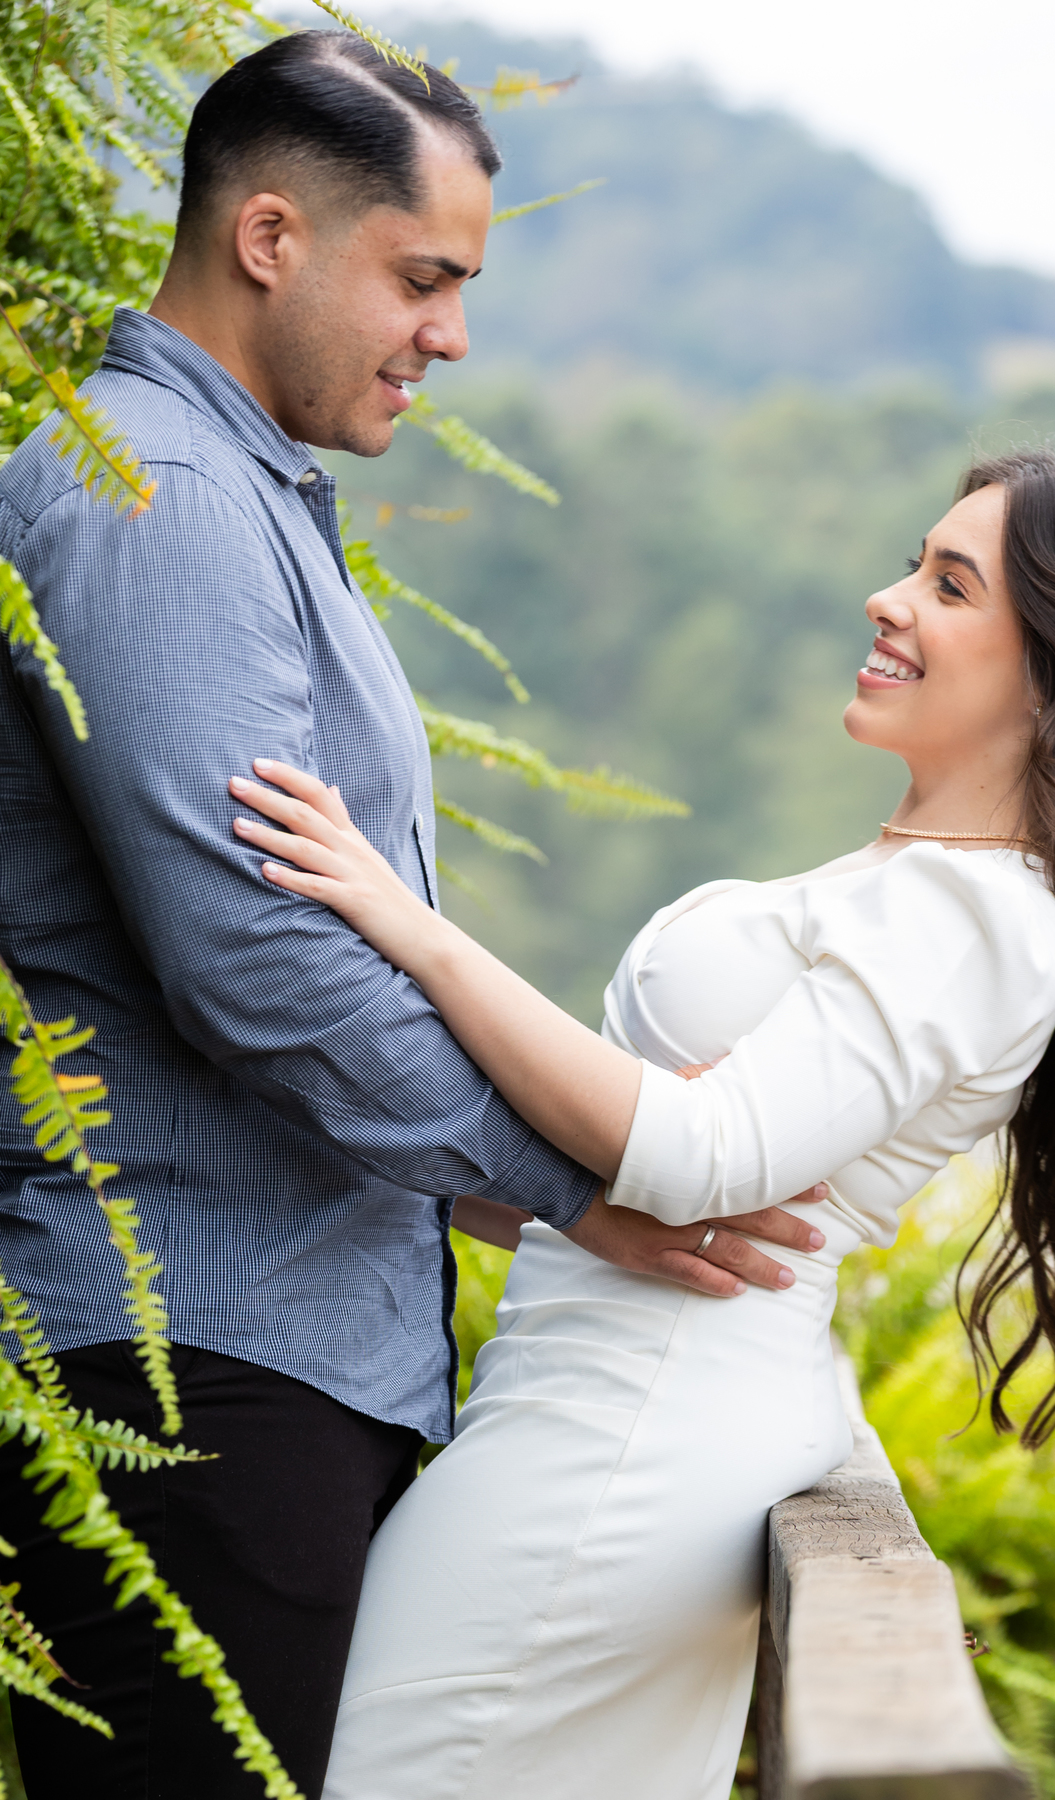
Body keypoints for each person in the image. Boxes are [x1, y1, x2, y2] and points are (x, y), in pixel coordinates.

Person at [0, 32, 821, 1800]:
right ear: (274, 237)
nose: (452, 333)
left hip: (281, 1363)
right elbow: (260, 963)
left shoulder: (235, 496)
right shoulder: (154, 499)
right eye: (425, 277)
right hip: (195, 1379)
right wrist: (573, 1190)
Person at [227, 450, 1055, 1800]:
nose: (888, 599)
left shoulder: (969, 916)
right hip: (606, 1413)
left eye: (948, 584)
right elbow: (631, 1181)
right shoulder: (925, 883)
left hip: (631, 1439)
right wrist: (434, 1170)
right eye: (915, 562)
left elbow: (699, 1156)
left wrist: (410, 931)